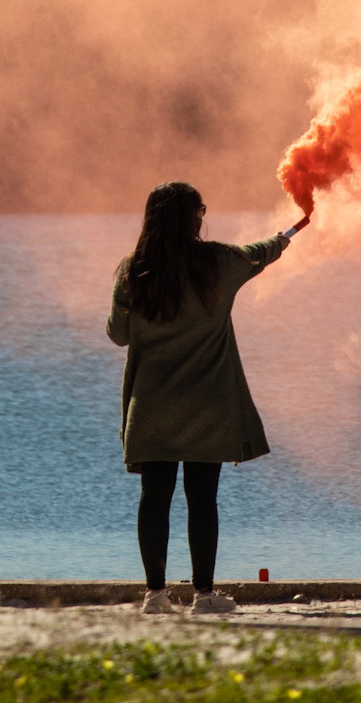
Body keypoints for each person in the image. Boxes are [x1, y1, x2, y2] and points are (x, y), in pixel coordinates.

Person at [106, 181, 290, 615]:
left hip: (150, 409)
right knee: (202, 499)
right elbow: (257, 253)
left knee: (155, 498)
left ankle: (155, 595)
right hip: (209, 407)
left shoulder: (133, 271)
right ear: (195, 219)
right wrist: (281, 240)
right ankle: (204, 596)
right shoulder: (218, 263)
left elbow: (117, 334)